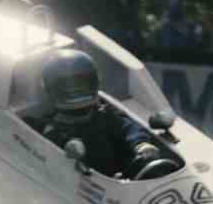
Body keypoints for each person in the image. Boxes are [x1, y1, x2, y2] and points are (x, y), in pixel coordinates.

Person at [35, 49, 160, 178]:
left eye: (81, 84)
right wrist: (68, 145)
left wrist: (140, 143)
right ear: (52, 89)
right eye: (68, 86)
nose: (76, 90)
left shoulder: (104, 113)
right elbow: (52, 141)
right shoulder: (55, 128)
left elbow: (127, 126)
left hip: (126, 181)